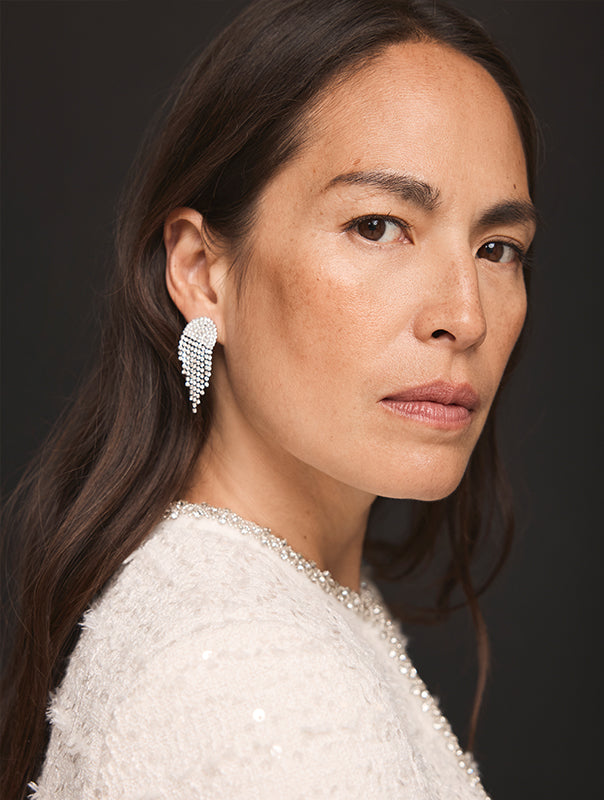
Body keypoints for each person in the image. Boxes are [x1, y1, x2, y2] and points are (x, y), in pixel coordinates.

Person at [0, 0, 539, 797]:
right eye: (378, 226)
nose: (465, 316)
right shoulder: (249, 678)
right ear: (202, 273)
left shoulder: (268, 603)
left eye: (498, 248)